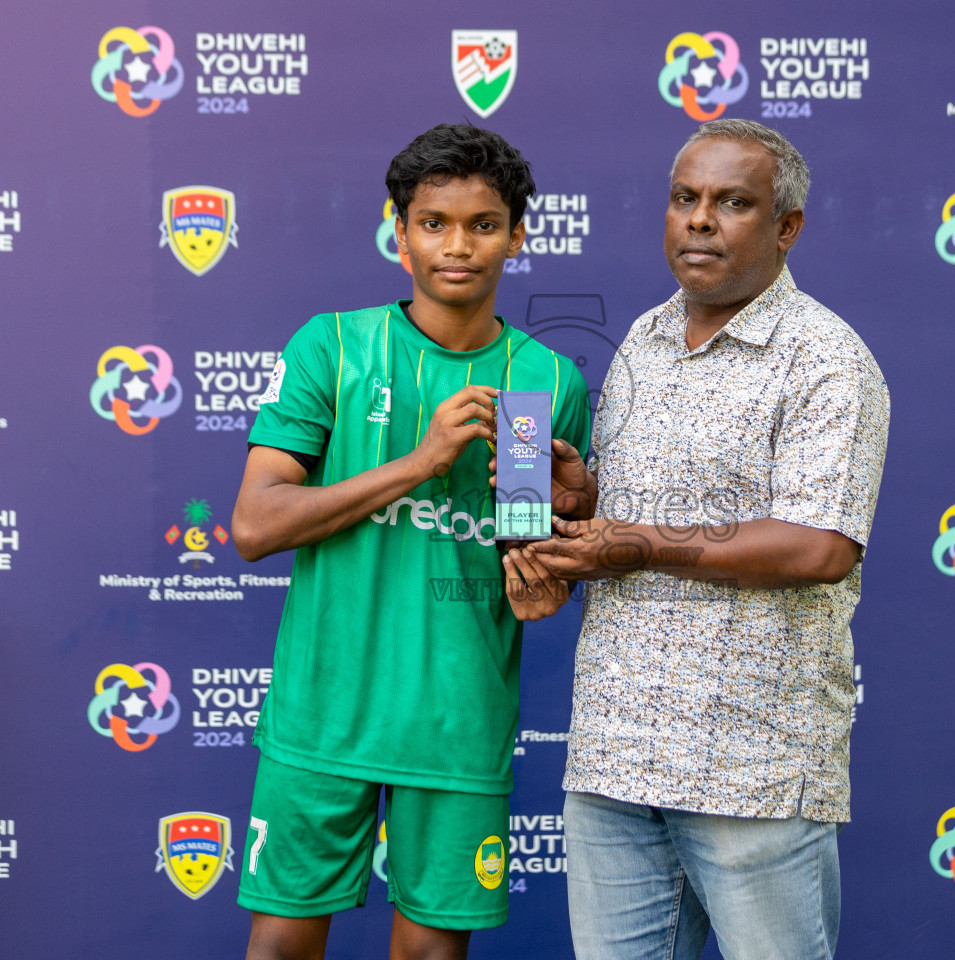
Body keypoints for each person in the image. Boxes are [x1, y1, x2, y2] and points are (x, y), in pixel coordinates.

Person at [230, 123, 592, 960]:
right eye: (434, 223)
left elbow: (525, 563)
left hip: (457, 719)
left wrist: (547, 566)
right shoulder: (334, 345)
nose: (458, 245)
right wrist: (419, 463)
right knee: (283, 939)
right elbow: (255, 524)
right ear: (400, 234)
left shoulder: (544, 380)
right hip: (325, 714)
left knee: (430, 952)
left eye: (483, 224)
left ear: (518, 235)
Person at [532, 119, 890, 960]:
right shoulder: (643, 345)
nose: (700, 220)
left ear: (786, 227)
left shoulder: (826, 360)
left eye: (733, 203)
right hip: (615, 759)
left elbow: (819, 548)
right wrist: (581, 499)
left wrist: (637, 544)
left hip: (750, 769)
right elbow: (627, 517)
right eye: (685, 199)